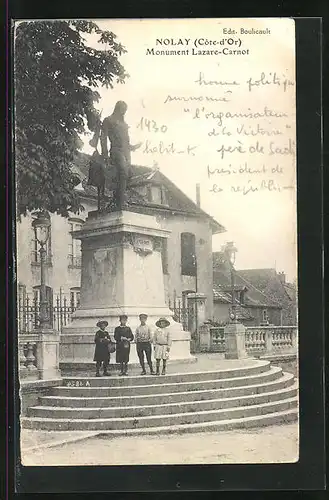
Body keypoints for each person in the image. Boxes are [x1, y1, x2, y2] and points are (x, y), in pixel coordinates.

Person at [100, 101, 142, 209]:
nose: (123, 112)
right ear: (117, 109)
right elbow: (103, 137)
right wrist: (105, 154)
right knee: (123, 170)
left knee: (129, 174)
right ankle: (121, 200)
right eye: (122, 110)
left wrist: (134, 147)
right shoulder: (108, 120)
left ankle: (118, 198)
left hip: (126, 152)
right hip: (116, 150)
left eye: (125, 110)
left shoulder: (124, 124)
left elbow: (126, 141)